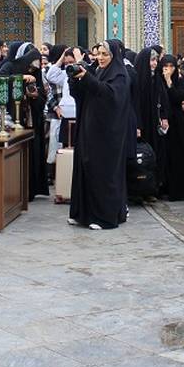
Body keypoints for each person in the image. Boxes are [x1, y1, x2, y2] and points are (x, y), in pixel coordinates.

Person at [68, 42, 129, 229]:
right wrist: (75, 80)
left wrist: (88, 78)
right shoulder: (99, 71)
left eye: (105, 54)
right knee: (86, 169)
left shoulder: (119, 75)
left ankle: (105, 218)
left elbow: (109, 95)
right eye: (98, 54)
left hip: (107, 136)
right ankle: (84, 214)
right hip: (90, 131)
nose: (100, 58)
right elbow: (87, 94)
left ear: (114, 56)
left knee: (103, 174)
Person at [3, 42, 50, 199]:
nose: (32, 70)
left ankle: (32, 189)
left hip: (32, 121)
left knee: (33, 155)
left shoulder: (36, 73)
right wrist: (20, 78)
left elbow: (43, 95)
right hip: (13, 120)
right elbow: (0, 83)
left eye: (34, 68)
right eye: (29, 67)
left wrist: (36, 96)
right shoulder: (10, 66)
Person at [160, 53, 184, 201]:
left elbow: (177, 97)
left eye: (171, 66)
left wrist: (169, 81)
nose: (169, 70)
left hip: (179, 126)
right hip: (164, 124)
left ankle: (178, 191)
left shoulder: (180, 82)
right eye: (166, 67)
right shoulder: (157, 82)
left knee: (178, 157)